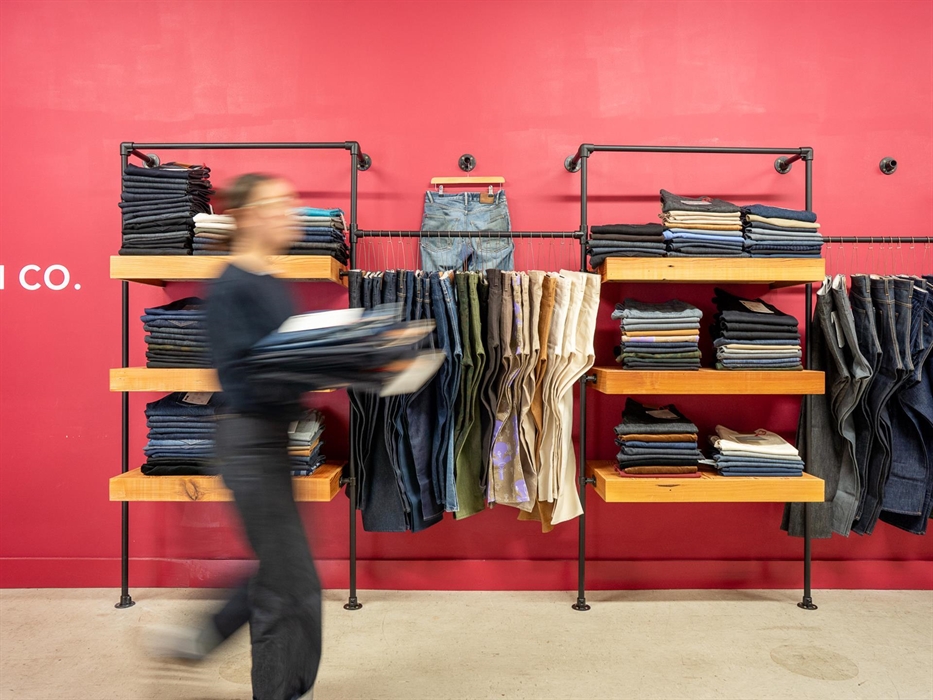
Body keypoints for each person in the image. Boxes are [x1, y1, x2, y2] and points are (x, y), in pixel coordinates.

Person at [148, 173, 320, 700]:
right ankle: (272, 686)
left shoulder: (270, 279)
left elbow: (282, 364)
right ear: (246, 216)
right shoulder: (231, 284)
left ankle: (206, 641)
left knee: (290, 576)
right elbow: (241, 377)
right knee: (286, 583)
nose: (290, 213)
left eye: (292, 202)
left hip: (270, 440)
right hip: (248, 444)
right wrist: (317, 358)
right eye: (277, 204)